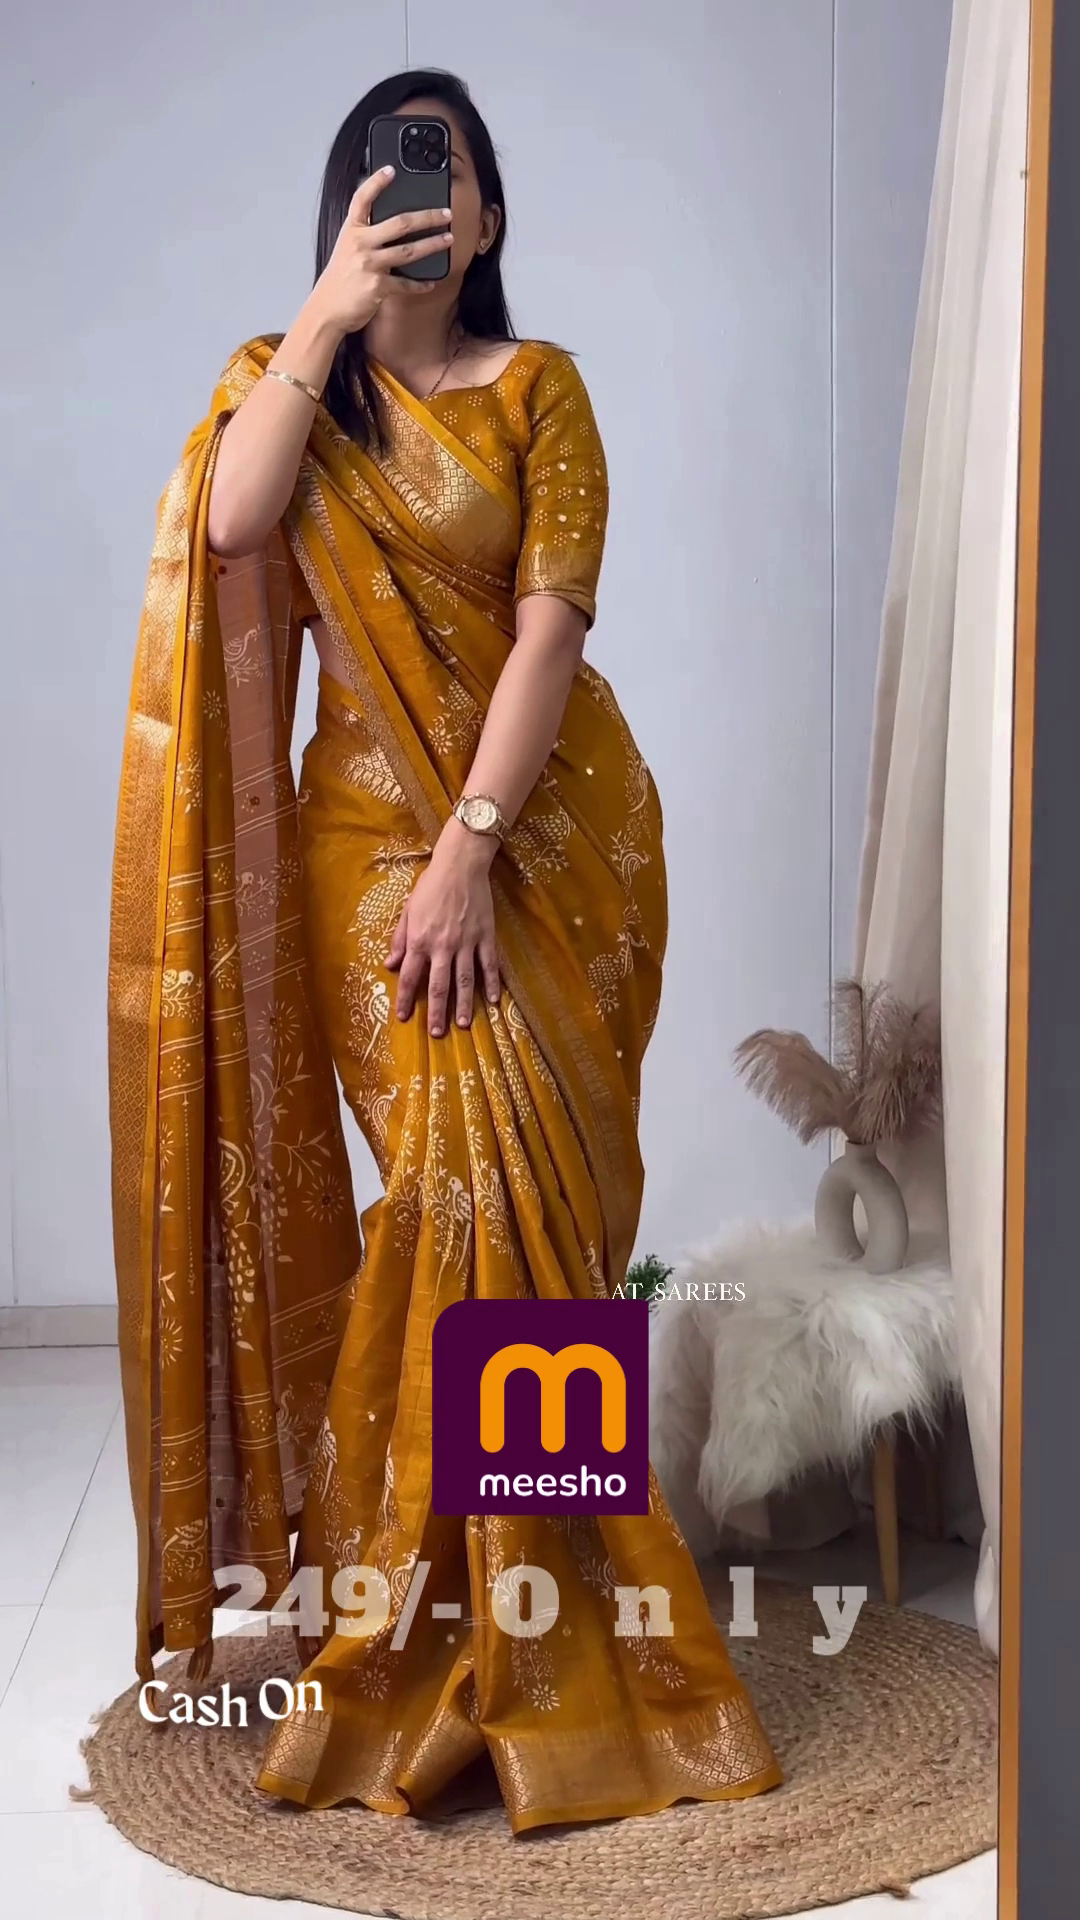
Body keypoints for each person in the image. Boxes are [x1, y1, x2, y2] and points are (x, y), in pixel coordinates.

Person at [108, 67, 781, 1833]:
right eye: (381, 174)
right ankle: (419, 1610)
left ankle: (540, 1630)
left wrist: (471, 854)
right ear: (346, 211)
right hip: (363, 860)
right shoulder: (286, 386)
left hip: (543, 841)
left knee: (544, 1217)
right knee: (452, 1195)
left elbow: (551, 634)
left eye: (445, 170)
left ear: (488, 217)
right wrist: (326, 317)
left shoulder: (543, 388)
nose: (415, 194)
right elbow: (232, 525)